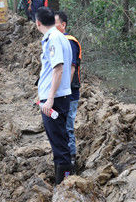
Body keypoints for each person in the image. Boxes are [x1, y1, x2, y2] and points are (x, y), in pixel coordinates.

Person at [35, 7, 74, 184]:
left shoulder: (53, 39)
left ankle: (65, 183)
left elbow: (58, 69)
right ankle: (65, 180)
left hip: (55, 99)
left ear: (38, 23)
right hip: (58, 97)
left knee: (59, 143)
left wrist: (49, 98)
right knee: (60, 139)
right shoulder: (60, 37)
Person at [55, 11, 82, 165]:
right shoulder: (57, 41)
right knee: (59, 127)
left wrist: (64, 91)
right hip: (61, 92)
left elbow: (71, 69)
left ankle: (71, 160)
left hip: (69, 93)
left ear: (63, 25)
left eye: (55, 23)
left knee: (67, 127)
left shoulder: (69, 42)